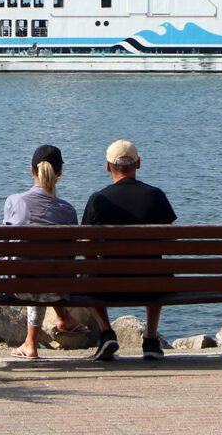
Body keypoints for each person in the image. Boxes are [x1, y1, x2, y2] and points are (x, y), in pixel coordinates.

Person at [81, 139, 177, 361]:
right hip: (152, 285)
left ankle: (106, 333)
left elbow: (86, 250)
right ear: (138, 163)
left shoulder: (98, 200)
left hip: (107, 286)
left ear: (108, 166)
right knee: (158, 267)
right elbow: (170, 241)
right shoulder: (156, 196)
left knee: (85, 273)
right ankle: (151, 339)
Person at [3, 144, 89, 359]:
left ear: (31, 170)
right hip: (58, 287)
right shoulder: (68, 210)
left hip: (17, 285)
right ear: (60, 173)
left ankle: (30, 344)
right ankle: (62, 320)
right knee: (47, 270)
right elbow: (69, 256)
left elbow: (8, 246)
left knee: (31, 267)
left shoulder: (15, 201)